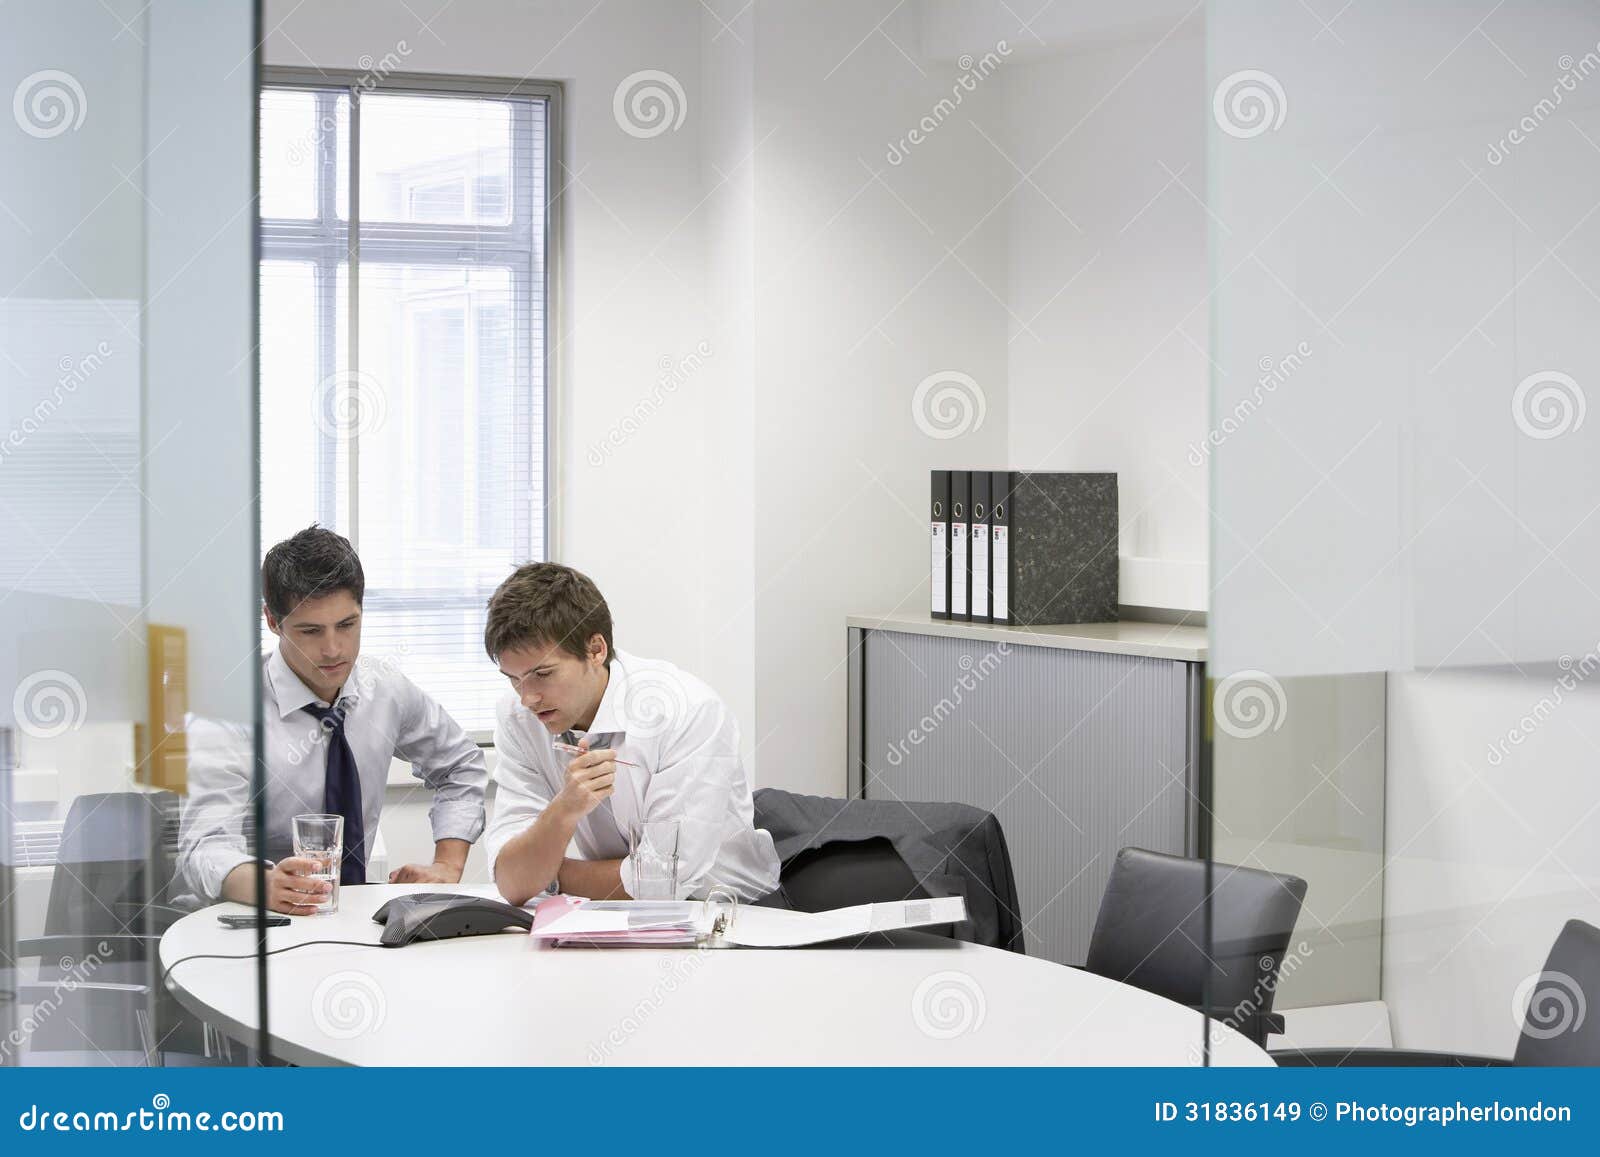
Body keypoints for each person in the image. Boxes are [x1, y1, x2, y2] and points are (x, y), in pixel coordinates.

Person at [179, 526, 488, 913]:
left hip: (353, 914)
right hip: (253, 921)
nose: (333, 649)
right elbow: (204, 846)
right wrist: (266, 884)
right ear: (273, 622)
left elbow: (460, 765)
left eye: (347, 625)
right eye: (310, 631)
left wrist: (447, 864)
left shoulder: (385, 689)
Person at [483, 562, 779, 905]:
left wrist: (550, 874)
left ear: (596, 650)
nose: (527, 698)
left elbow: (662, 882)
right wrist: (562, 811)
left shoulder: (687, 710)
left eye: (543, 674)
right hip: (613, 912)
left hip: (730, 912)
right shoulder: (517, 716)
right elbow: (513, 883)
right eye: (513, 678)